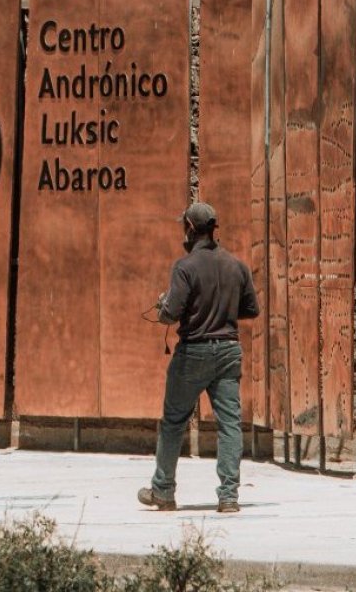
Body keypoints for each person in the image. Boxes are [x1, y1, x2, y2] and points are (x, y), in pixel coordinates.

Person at [138, 202, 259, 513]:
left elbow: (170, 315)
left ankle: (163, 491)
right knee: (230, 424)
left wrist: (163, 303)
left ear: (190, 229)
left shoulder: (184, 267)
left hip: (194, 351)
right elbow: (251, 310)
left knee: (174, 422)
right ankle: (229, 496)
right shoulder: (237, 265)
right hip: (229, 350)